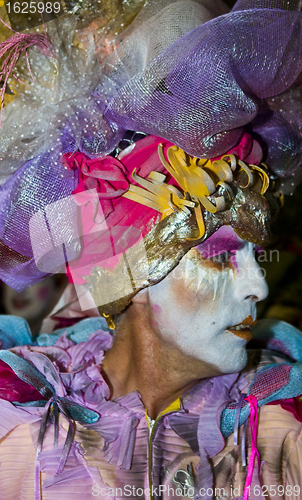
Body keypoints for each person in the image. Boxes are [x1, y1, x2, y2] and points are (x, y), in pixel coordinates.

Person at [1, 1, 302, 499]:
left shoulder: (273, 431)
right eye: (222, 256)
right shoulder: (20, 422)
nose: (260, 285)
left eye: (253, 256)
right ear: (130, 274)